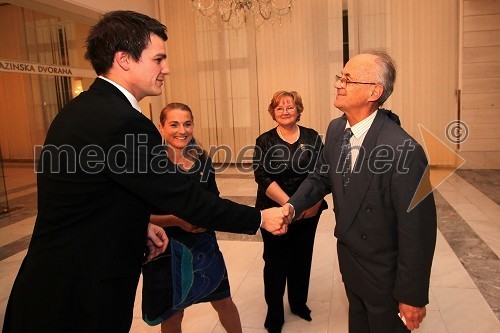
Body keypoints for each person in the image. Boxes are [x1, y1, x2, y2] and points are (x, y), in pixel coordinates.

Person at [3, 11, 289, 333]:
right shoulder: (123, 122)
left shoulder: (85, 108)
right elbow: (185, 199)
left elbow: (92, 196)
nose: (166, 68)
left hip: (55, 279)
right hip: (81, 292)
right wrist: (260, 218)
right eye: (158, 59)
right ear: (124, 59)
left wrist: (139, 224)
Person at [285, 51, 437, 333]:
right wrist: (292, 207)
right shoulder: (335, 129)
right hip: (351, 264)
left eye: (347, 79)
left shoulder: (404, 150)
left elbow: (418, 232)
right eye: (339, 77)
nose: (338, 84)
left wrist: (412, 296)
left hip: (385, 278)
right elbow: (321, 176)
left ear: (374, 92)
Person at [141, 103, 243, 333]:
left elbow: (213, 199)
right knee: (173, 313)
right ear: (161, 127)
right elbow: (141, 215)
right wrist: (177, 221)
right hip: (166, 249)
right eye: (174, 124)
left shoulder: (202, 160)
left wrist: (210, 218)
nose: (182, 130)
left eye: (187, 124)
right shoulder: (151, 163)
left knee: (224, 301)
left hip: (203, 245)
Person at [253, 91, 327, 333]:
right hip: (275, 212)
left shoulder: (313, 137)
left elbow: (323, 171)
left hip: (309, 212)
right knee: (275, 262)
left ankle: (298, 304)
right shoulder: (264, 140)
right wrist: (291, 206)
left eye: (290, 107)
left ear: (298, 110)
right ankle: (274, 312)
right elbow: (261, 176)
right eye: (279, 108)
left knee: (301, 259)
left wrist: (309, 205)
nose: (285, 111)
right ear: (273, 112)